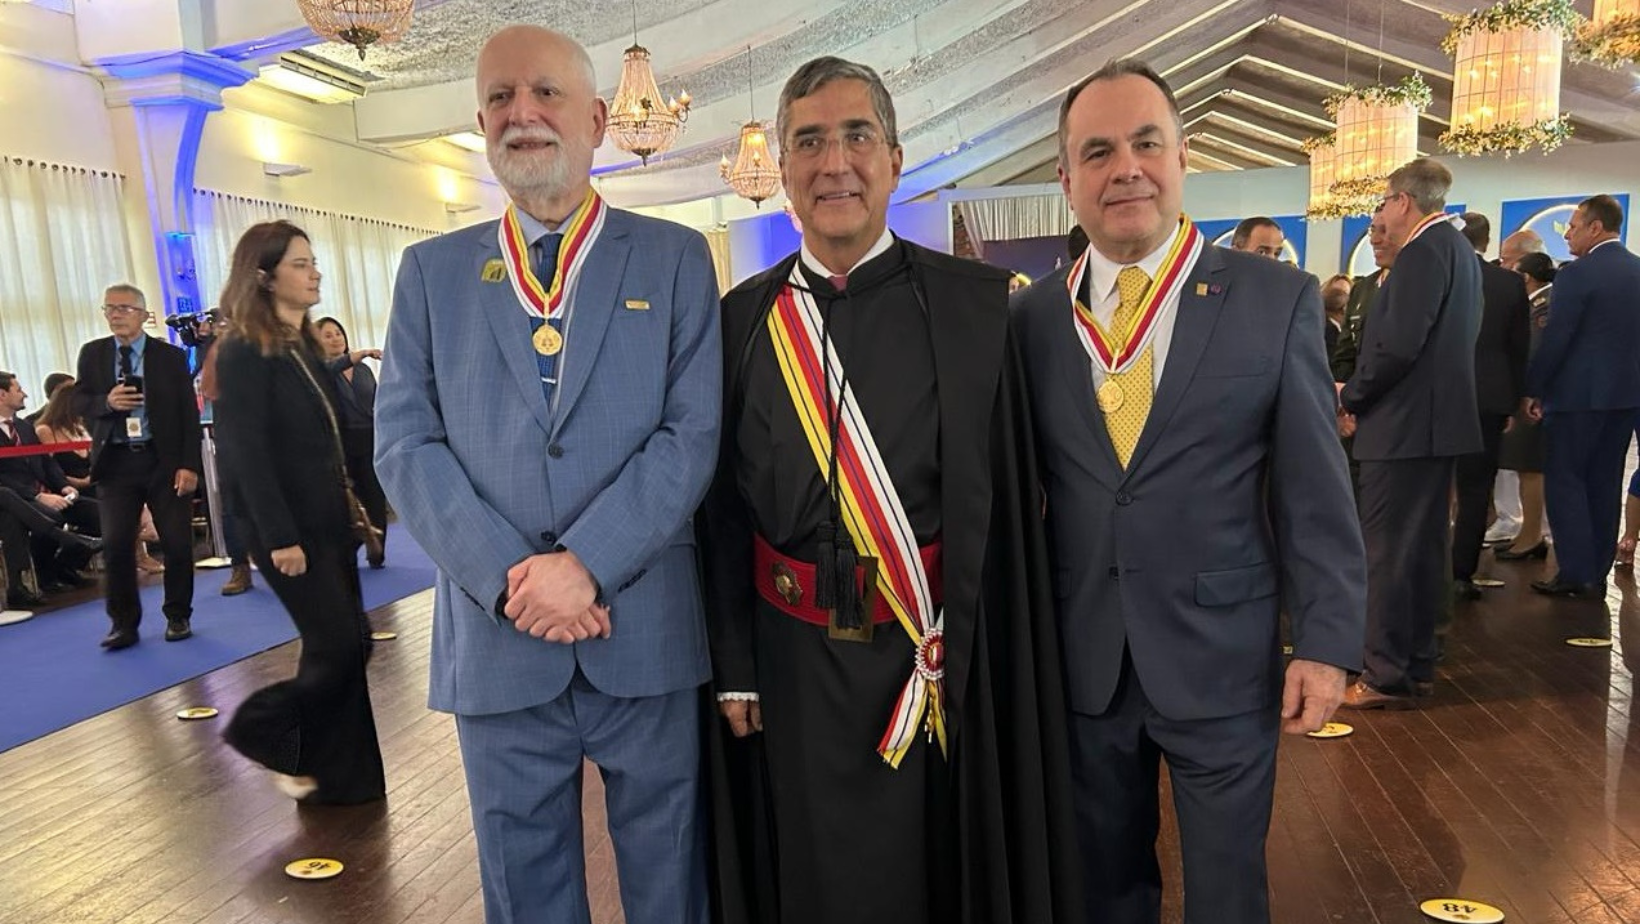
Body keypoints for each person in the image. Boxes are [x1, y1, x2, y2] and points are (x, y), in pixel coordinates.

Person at [702, 56, 1079, 924]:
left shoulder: (978, 312)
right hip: (788, 665)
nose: (835, 163)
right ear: (785, 171)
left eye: (857, 136)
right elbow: (718, 511)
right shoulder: (740, 323)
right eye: (809, 142)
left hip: (932, 656)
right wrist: (734, 671)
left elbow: (1016, 514)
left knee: (932, 877)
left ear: (896, 158)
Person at [374, 26, 721, 924]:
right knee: (523, 895)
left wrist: (586, 564)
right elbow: (405, 446)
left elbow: (691, 436)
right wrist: (513, 582)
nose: (520, 114)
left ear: (601, 119)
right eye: (499, 98)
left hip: (640, 627)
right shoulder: (429, 273)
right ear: (480, 122)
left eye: (546, 94)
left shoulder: (677, 259)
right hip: (498, 640)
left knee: (668, 882)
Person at [1012, 59, 1365, 924]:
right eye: (1096, 152)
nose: (1124, 167)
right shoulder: (1030, 323)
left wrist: (1325, 642)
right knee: (1101, 887)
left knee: (1227, 892)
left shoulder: (1274, 300)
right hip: (1084, 657)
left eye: (1145, 143)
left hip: (1223, 656)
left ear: (1182, 159)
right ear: (1066, 180)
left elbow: (1316, 491)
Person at [212, 220, 385, 804]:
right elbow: (245, 453)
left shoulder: (303, 344)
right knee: (340, 644)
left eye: (313, 263)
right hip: (287, 530)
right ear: (264, 275)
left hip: (327, 521)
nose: (314, 274)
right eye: (300, 264)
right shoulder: (241, 349)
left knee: (348, 642)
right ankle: (256, 729)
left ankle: (343, 780)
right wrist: (279, 536)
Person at [1340, 159, 1483, 708]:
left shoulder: (1423, 252)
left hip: (1404, 428)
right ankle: (1415, 663)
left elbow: (1398, 346)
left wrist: (1351, 396)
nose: (1380, 213)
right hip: (1430, 426)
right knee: (1421, 553)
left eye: (1382, 202)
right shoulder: (1459, 252)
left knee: (1389, 555)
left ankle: (1384, 674)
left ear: (1403, 201)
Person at [72, 284, 201, 649]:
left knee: (176, 543)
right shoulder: (93, 354)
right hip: (115, 462)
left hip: (162, 461)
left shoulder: (170, 357)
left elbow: (187, 416)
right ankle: (123, 624)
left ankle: (178, 614)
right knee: (115, 545)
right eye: (109, 308)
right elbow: (79, 400)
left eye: (124, 308)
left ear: (144, 315)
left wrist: (189, 465)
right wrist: (107, 402)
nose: (115, 315)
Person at [1525, 195, 1640, 598]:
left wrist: (1534, 387)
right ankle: (1597, 566)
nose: (1568, 233)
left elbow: (1558, 339)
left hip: (1576, 397)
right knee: (1606, 481)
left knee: (1566, 480)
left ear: (1595, 228)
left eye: (1573, 226)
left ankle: (1576, 572)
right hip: (1626, 397)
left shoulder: (1577, 275)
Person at [1450, 212, 1530, 600]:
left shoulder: (1439, 276)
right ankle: (1460, 573)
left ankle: (1424, 568)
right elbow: (1519, 348)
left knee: (1428, 486)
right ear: (1485, 241)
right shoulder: (1510, 283)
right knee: (1476, 488)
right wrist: (1514, 402)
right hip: (1489, 398)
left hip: (1438, 395)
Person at [0, 372, 102, 605]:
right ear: (2, 394)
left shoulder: (25, 428)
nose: (24, 393)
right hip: (19, 499)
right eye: (18, 389)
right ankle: (38, 578)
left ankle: (63, 567)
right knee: (26, 517)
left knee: (102, 515)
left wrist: (64, 486)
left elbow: (46, 462)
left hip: (47, 494)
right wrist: (37, 496)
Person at [1496, 252, 1556, 563]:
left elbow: (1534, 351)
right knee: (1523, 467)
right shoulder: (1536, 303)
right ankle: (1526, 534)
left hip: (1531, 399)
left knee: (1531, 467)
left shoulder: (1541, 305)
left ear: (1526, 278)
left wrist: (1528, 393)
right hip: (1527, 396)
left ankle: (1532, 536)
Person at [315, 317, 387, 568]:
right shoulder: (320, 371)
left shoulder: (364, 370)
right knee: (346, 501)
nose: (336, 338)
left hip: (369, 438)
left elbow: (378, 400)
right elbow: (332, 368)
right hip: (340, 443)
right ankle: (350, 549)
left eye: (338, 333)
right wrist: (364, 352)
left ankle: (377, 551)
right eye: (328, 335)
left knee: (374, 495)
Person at [1320, 272, 1351, 358]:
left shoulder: (1349, 330)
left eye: (1344, 293)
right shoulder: (1321, 326)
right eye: (1336, 292)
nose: (1338, 298)